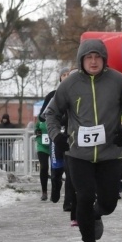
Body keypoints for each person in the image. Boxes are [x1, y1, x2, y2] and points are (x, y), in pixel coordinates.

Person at [45, 39, 122, 242]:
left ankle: (98, 213)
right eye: (89, 57)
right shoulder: (70, 84)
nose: (93, 61)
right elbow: (51, 113)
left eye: (97, 57)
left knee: (109, 202)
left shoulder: (118, 81)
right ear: (81, 60)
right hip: (79, 154)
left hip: (110, 153)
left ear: (104, 59)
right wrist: (57, 136)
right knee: (84, 197)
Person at [42, 67, 71, 204]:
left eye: (68, 74)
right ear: (60, 78)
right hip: (57, 137)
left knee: (71, 170)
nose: (66, 76)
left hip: (71, 136)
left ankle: (68, 202)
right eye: (63, 74)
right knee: (57, 168)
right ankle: (55, 188)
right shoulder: (52, 95)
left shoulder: (76, 93)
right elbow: (44, 115)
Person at [33, 110, 51, 201]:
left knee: (57, 169)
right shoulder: (40, 118)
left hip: (53, 146)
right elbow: (35, 129)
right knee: (44, 167)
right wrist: (37, 131)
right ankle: (44, 192)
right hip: (42, 146)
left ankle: (55, 190)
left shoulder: (57, 115)